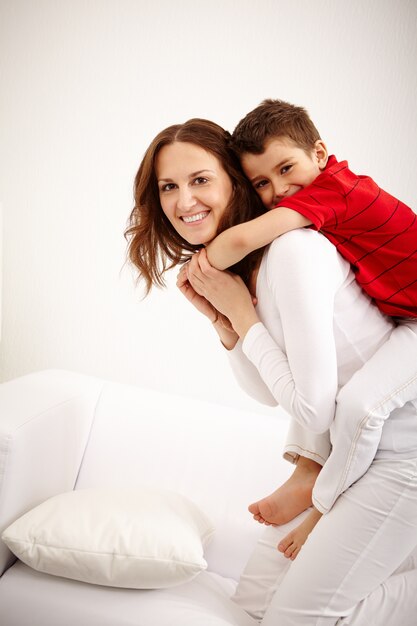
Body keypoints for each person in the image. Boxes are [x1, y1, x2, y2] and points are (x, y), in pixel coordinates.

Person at [125, 117, 417, 624]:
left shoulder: (294, 251)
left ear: (232, 181)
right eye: (168, 187)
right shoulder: (255, 265)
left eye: (199, 180)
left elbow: (311, 404)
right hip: (343, 452)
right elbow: (267, 392)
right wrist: (227, 326)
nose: (183, 201)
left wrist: (242, 314)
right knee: (253, 603)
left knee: (299, 617)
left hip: (398, 454)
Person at [200, 99, 417, 558]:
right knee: (320, 372)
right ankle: (308, 467)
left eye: (286, 168)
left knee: (359, 405)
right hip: (405, 317)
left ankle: (321, 506)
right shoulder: (327, 194)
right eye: (261, 182)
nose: (279, 190)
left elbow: (239, 241)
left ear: (319, 154)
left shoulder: (331, 192)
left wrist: (201, 269)